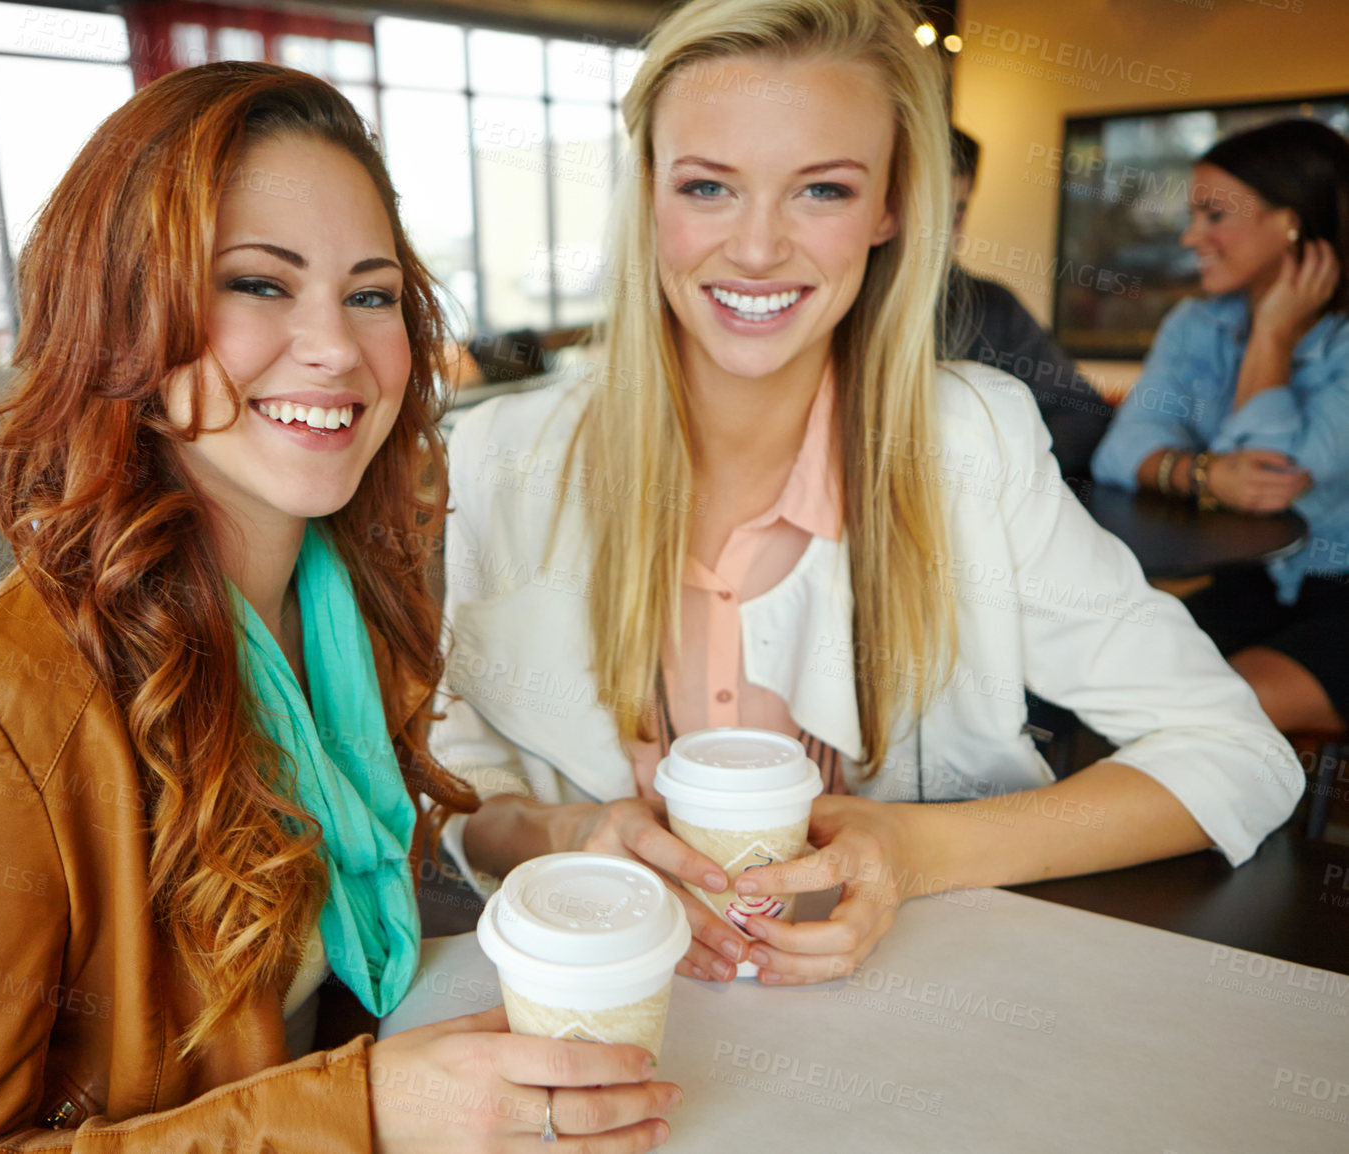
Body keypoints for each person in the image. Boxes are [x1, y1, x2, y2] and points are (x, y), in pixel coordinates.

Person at [0, 64, 681, 1153]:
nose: (337, 347)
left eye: (372, 293)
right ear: (119, 319)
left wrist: (560, 830)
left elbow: (351, 879)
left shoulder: (346, 601)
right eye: (257, 283)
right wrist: (362, 1112)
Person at [431, 0, 1302, 991]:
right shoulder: (502, 457)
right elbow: (459, 788)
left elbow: (1236, 754)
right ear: (647, 194)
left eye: (821, 190)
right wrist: (562, 831)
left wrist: (914, 849)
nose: (756, 249)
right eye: (708, 185)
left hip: (917, 1020)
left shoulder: (970, 441)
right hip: (608, 1025)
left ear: (890, 204)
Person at [1093, 119, 1349, 737]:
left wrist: (1273, 334)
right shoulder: (1196, 322)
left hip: (1342, 595)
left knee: (1208, 721)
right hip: (1254, 583)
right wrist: (1201, 472)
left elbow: (1269, 478)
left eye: (1214, 216)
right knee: (1110, 683)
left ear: (1291, 223)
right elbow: (1119, 451)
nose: (1191, 237)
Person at [941, 127, 1113, 482]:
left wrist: (999, 476)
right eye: (924, 213)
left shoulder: (988, 306)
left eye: (955, 216)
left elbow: (1081, 414)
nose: (941, 237)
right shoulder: (836, 303)